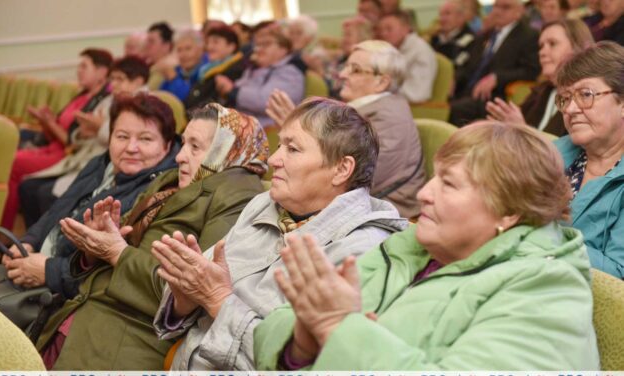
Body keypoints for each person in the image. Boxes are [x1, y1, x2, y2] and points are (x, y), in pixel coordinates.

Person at [254, 121, 600, 371]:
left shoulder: (546, 286)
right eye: (433, 177)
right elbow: (277, 323)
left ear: (509, 211)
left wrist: (336, 328)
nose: (423, 194)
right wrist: (304, 341)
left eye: (448, 184)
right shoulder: (410, 247)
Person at [151, 97, 409, 370]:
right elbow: (192, 302)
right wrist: (185, 294)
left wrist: (217, 300)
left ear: (341, 169)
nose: (273, 159)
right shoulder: (264, 203)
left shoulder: (363, 251)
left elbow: (298, 364)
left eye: (293, 149)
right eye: (279, 146)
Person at [34, 103, 268, 370]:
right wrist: (95, 247)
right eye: (183, 144)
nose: (180, 156)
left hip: (126, 335)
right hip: (80, 310)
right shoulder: (171, 181)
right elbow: (120, 244)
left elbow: (190, 291)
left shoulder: (236, 195)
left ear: (226, 151)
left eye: (195, 147)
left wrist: (116, 252)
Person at [3, 94, 179, 299]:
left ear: (166, 146)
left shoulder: (158, 194)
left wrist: (49, 271)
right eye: (122, 136)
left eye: (145, 139)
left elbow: (111, 274)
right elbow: (58, 209)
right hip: (37, 263)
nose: (131, 148)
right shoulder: (102, 163)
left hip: (64, 294)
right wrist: (28, 242)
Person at [266, 41, 425, 218]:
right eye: (345, 67)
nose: (342, 74)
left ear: (381, 82)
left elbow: (354, 178)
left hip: (382, 215)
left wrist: (302, 133)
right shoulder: (366, 110)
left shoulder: (391, 119)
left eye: (355, 70)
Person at [19, 56, 151, 227]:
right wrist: (82, 132)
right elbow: (78, 136)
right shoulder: (109, 100)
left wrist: (98, 129)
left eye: (120, 79)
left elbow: (127, 140)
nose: (114, 85)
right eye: (113, 79)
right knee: (27, 187)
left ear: (138, 81)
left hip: (104, 164)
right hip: (82, 157)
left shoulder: (145, 105)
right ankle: (32, 242)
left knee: (45, 193)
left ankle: (50, 244)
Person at [1, 48, 112, 229]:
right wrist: (46, 121)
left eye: (84, 66)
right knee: (12, 157)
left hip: (66, 155)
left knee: (13, 163)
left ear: (101, 72)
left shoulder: (101, 102)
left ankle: (4, 230)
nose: (79, 70)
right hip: (53, 147)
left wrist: (49, 123)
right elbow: (58, 133)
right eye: (79, 66)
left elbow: (72, 142)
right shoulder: (82, 95)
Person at [553, 41, 624, 278]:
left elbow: (618, 276)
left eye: (585, 95)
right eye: (564, 98)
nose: (570, 109)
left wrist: (545, 235)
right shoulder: (551, 154)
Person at [486, 19, 594, 136]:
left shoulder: (588, 96)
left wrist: (523, 131)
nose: (542, 52)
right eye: (541, 46)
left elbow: (570, 150)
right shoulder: (540, 91)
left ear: (578, 48)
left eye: (552, 44)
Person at [450, 0, 540, 126]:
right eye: (496, 6)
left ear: (519, 12)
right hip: (467, 91)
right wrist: (455, 78)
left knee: (456, 109)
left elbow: (531, 71)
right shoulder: (486, 35)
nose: (498, 11)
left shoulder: (528, 36)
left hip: (495, 95)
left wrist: (497, 77)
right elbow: (470, 66)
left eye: (505, 7)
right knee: (446, 105)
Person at [215, 23, 305, 127]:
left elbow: (267, 101)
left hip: (269, 132)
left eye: (266, 44)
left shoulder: (290, 72)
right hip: (242, 128)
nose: (259, 49)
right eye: (258, 45)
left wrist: (232, 90)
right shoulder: (254, 69)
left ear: (283, 49)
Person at [377, 11, 437, 103]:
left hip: (412, 109)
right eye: (381, 30)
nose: (384, 34)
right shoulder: (393, 49)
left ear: (406, 29)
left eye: (389, 29)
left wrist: (379, 90)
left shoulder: (420, 51)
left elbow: (417, 94)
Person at [184, 25, 244, 111]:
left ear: (231, 46)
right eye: (208, 43)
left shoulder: (234, 70)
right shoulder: (208, 68)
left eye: (215, 42)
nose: (209, 47)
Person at [160, 29, 208, 102]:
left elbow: (191, 100)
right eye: (179, 50)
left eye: (188, 49)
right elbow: (160, 99)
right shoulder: (176, 71)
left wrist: (174, 79)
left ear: (200, 50)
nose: (183, 55)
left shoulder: (208, 71)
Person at [431, 0, 476, 73]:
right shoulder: (435, 38)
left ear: (460, 17)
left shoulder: (472, 40)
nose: (442, 19)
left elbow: (463, 70)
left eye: (447, 14)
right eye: (441, 15)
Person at [144, 22, 177, 90]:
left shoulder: (169, 66)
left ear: (166, 46)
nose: (146, 45)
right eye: (147, 41)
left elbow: (150, 91)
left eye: (151, 41)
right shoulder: (149, 64)